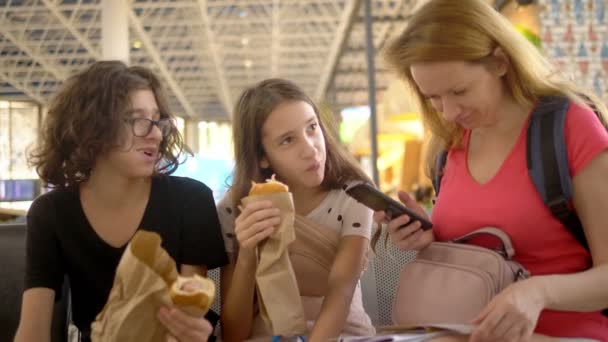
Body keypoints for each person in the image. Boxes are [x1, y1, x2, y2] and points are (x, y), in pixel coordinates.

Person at [375, 0, 608, 341]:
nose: (449, 111)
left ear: (500, 62)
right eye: (433, 98)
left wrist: (538, 292)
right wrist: (429, 238)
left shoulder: (568, 127)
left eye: (459, 91)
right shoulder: (446, 144)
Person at [14, 61, 228, 342]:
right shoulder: (52, 213)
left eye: (157, 120)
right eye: (139, 120)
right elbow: (33, 330)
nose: (156, 133)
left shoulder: (190, 200)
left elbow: (204, 304)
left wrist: (205, 326)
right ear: (93, 127)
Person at [216, 78, 375, 342]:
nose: (310, 148)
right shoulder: (235, 208)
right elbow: (234, 334)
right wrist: (246, 254)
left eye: (312, 128)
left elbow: (342, 289)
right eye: (288, 140)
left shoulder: (354, 196)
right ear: (262, 157)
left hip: (346, 335)